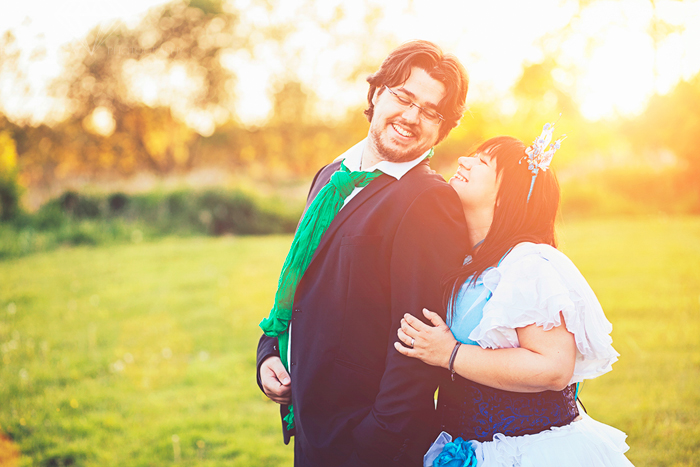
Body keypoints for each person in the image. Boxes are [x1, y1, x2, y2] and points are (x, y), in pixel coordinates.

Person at [256, 40, 470, 466]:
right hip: (313, 429)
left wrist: (372, 443)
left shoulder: (429, 200)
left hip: (366, 445)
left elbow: (418, 345)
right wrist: (269, 352)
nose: (412, 117)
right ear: (376, 93)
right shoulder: (331, 175)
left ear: (442, 129)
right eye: (404, 97)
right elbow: (301, 280)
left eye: (431, 112)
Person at [395, 126, 635, 466]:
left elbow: (553, 367)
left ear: (505, 195)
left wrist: (449, 353)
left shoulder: (527, 264)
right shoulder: (471, 260)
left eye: (481, 161)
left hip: (527, 452)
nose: (463, 161)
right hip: (468, 446)